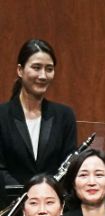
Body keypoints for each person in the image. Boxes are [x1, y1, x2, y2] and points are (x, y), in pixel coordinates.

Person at [0, 39, 77, 187]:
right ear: (20, 70)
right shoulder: (2, 115)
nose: (43, 76)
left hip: (52, 199)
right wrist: (28, 195)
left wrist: (46, 195)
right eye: (36, 67)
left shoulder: (65, 116)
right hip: (9, 200)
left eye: (49, 69)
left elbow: (69, 167)